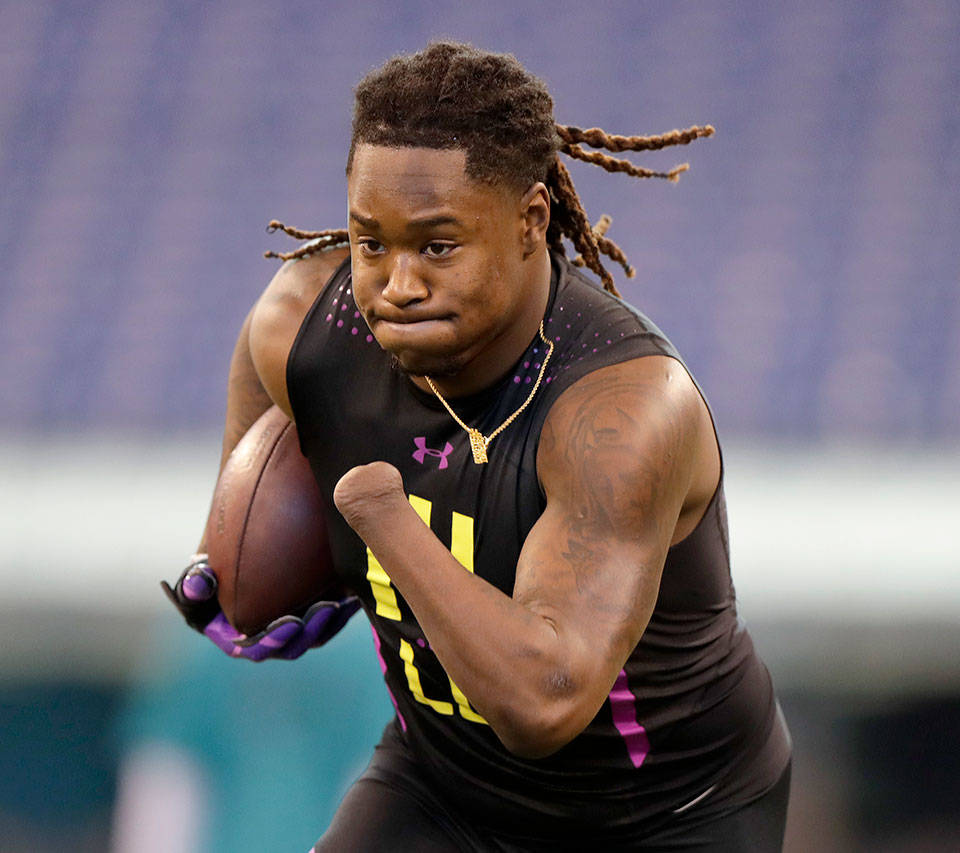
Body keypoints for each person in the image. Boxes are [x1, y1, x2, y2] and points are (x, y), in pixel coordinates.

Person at [164, 42, 791, 851]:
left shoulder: (622, 412)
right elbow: (261, 365)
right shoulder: (307, 332)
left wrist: (377, 518)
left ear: (532, 219)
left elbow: (544, 704)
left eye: (437, 246)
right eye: (370, 242)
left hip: (666, 811)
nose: (397, 284)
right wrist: (240, 558)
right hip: (445, 783)